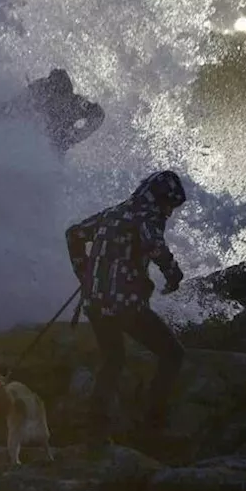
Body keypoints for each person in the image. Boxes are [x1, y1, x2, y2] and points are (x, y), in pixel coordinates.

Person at [65, 171, 187, 441]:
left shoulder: (116, 212)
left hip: (95, 303)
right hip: (126, 306)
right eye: (169, 205)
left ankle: (97, 426)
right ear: (159, 199)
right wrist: (173, 274)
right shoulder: (148, 214)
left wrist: (85, 273)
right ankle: (155, 421)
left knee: (113, 359)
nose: (169, 212)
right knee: (172, 354)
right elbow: (154, 246)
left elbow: (74, 234)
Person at [0, 68, 106, 155]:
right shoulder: (38, 91)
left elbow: (99, 114)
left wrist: (76, 135)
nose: (56, 98)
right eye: (53, 93)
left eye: (63, 95)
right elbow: (11, 106)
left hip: (57, 142)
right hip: (34, 139)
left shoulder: (76, 103)